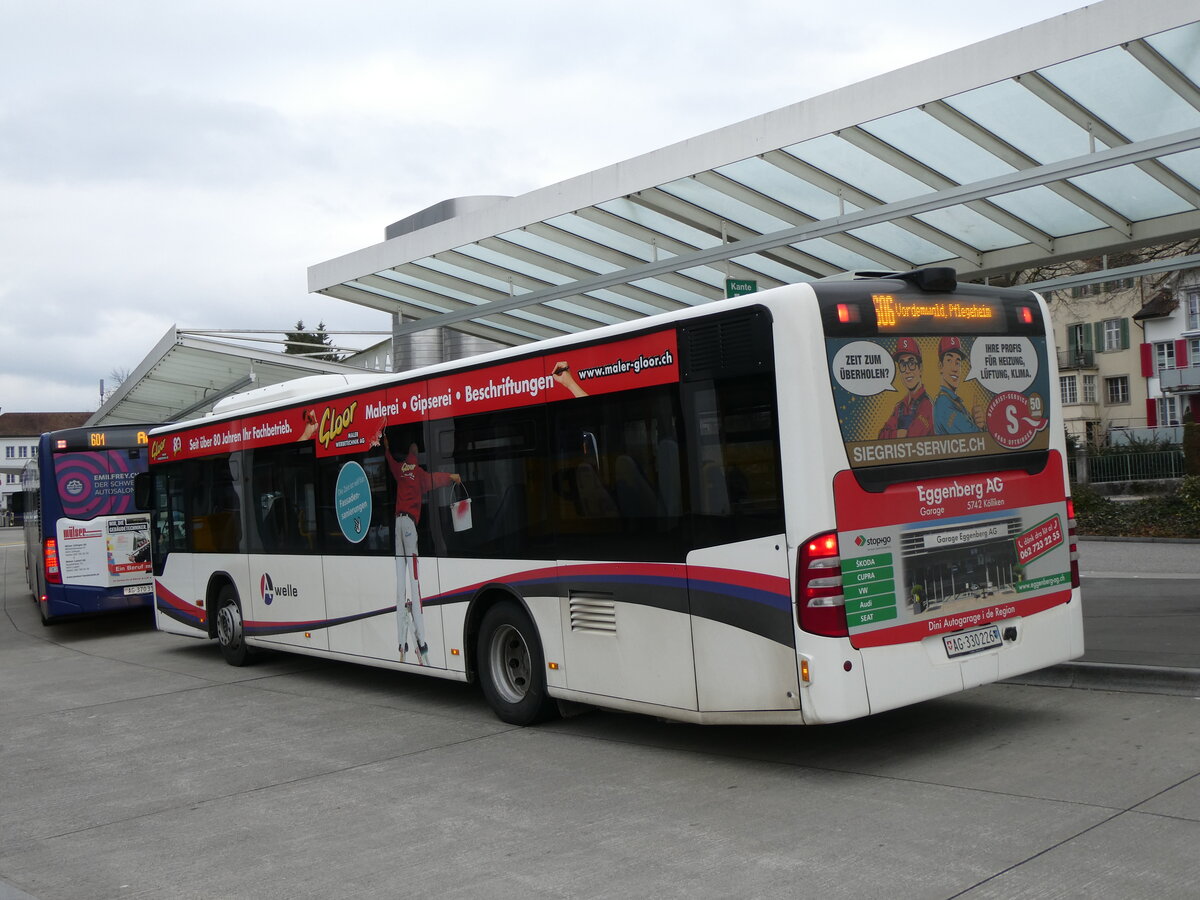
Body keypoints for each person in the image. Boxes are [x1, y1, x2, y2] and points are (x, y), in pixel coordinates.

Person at [383, 433, 461, 665]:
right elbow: (436, 479)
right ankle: (422, 641)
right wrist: (452, 477)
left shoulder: (400, 470)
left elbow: (389, 461)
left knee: (400, 585)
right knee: (415, 584)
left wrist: (387, 447)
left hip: (397, 523)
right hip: (409, 527)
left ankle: (401, 643)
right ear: (417, 456)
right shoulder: (419, 474)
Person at [877, 337, 933, 439]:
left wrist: (894, 434)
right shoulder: (900, 407)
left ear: (920, 368)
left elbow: (912, 438)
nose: (907, 370)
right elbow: (881, 436)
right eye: (903, 364)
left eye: (911, 363)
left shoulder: (928, 405)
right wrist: (898, 434)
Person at [933, 336, 985, 434]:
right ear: (940, 366)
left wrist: (978, 423)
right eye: (949, 360)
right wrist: (980, 427)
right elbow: (973, 437)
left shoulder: (953, 400)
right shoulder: (944, 403)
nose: (955, 368)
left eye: (958, 363)